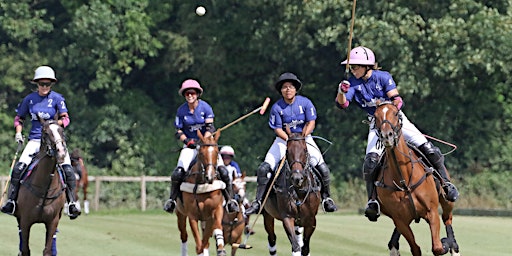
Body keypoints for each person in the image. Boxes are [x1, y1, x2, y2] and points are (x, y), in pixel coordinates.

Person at [334, 46, 459, 221]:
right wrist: (342, 91)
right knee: (370, 162)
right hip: (376, 124)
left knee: (429, 149)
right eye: (352, 67)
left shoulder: (383, 77)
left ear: (366, 66)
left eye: (355, 66)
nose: (353, 70)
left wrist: (390, 113)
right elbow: (343, 105)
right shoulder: (353, 84)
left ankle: (446, 185)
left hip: (396, 119)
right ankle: (372, 201)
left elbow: (397, 100)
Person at [245, 72, 338, 215]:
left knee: (322, 167)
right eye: (284, 87)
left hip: (304, 139)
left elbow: (311, 122)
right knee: (264, 168)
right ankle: (258, 202)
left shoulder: (305, 103)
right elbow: (277, 128)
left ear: (295, 89)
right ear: (281, 90)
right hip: (283, 141)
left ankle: (327, 198)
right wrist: (290, 139)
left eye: (290, 87)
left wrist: (302, 137)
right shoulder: (277, 107)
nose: (288, 89)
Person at [0, 66, 81, 219]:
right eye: (41, 83)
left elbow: (66, 118)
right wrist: (18, 133)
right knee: (18, 168)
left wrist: (55, 126)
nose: (44, 87)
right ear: (36, 83)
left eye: (47, 84)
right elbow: (19, 118)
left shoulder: (57, 99)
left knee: (68, 170)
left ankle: (71, 204)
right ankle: (11, 201)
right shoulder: (29, 99)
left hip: (54, 139)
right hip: (36, 140)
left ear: (51, 84)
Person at [163, 79, 239, 214]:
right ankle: (172, 200)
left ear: (197, 94)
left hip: (206, 144)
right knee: (178, 172)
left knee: (223, 171)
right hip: (190, 146)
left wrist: (205, 139)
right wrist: (187, 142)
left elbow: (210, 126)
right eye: (187, 93)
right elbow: (178, 131)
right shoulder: (181, 111)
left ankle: (230, 201)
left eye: (192, 93)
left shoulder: (205, 107)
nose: (190, 95)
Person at [220, 145, 254, 235]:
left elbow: (238, 178)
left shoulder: (234, 166)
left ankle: (246, 226)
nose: (226, 159)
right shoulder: (219, 166)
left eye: (229, 157)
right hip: (221, 191)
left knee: (247, 205)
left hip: (233, 190)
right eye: (224, 156)